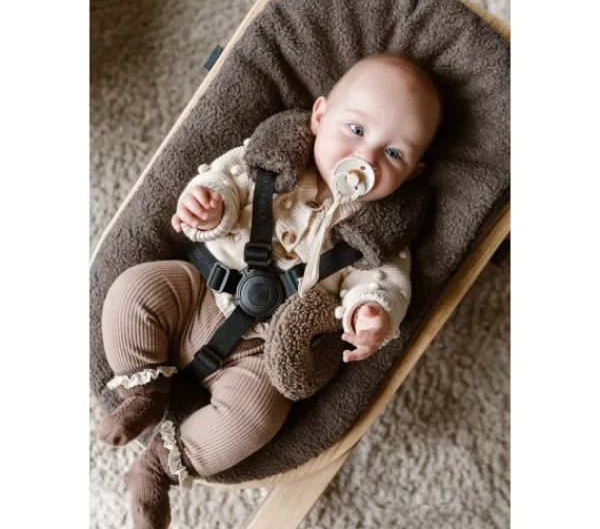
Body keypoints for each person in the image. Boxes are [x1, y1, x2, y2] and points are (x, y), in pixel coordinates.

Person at [99, 52, 441, 529]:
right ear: (319, 116)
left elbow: (384, 282)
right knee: (133, 290)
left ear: (414, 172)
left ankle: (158, 466)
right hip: (197, 294)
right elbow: (221, 184)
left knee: (257, 418)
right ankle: (146, 391)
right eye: (356, 130)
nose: (365, 159)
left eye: (394, 154)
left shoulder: (378, 235)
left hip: (263, 353)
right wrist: (206, 208)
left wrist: (371, 311)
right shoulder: (268, 163)